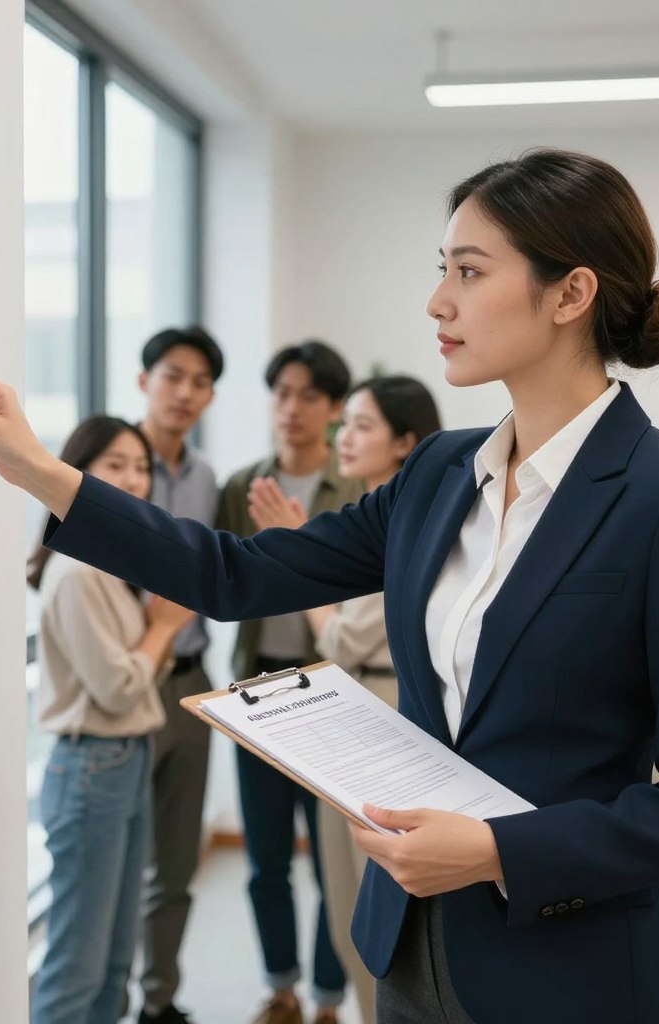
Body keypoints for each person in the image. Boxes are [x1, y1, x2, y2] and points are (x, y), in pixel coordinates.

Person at [0, 148, 659, 1024]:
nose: (437, 301)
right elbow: (235, 572)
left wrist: (498, 849)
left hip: (574, 972)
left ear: (570, 294)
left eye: (469, 271)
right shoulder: (439, 472)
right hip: (409, 950)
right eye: (442, 269)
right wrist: (37, 470)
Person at [247, 375, 441, 1024]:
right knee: (341, 899)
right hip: (355, 707)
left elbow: (341, 635)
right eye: (345, 424)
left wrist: (296, 554)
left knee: (366, 903)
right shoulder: (373, 516)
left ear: (405, 442)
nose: (343, 438)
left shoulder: (410, 524)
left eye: (361, 424)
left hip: (379, 716)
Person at [26, 416, 195, 1024]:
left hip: (123, 759)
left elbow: (133, 676)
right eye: (115, 465)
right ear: (78, 473)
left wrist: (156, 631)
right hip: (92, 766)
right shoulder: (77, 571)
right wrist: (163, 628)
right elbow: (120, 688)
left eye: (141, 467)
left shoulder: (107, 562)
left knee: (114, 963)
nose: (133, 479)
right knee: (78, 968)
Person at [215, 340, 363, 1024]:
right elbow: (218, 576)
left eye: (309, 395)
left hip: (331, 696)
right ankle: (281, 988)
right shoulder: (241, 486)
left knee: (333, 862)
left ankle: (329, 998)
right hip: (254, 692)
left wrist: (298, 542)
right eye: (282, 393)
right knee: (265, 858)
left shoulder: (355, 490)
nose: (292, 408)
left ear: (334, 409)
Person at [134, 326, 224, 1024]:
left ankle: (158, 1000)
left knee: (175, 861)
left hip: (192, 680)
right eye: (172, 376)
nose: (185, 392)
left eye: (200, 382)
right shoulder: (109, 462)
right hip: (127, 681)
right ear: (144, 381)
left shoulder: (205, 479)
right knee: (117, 863)